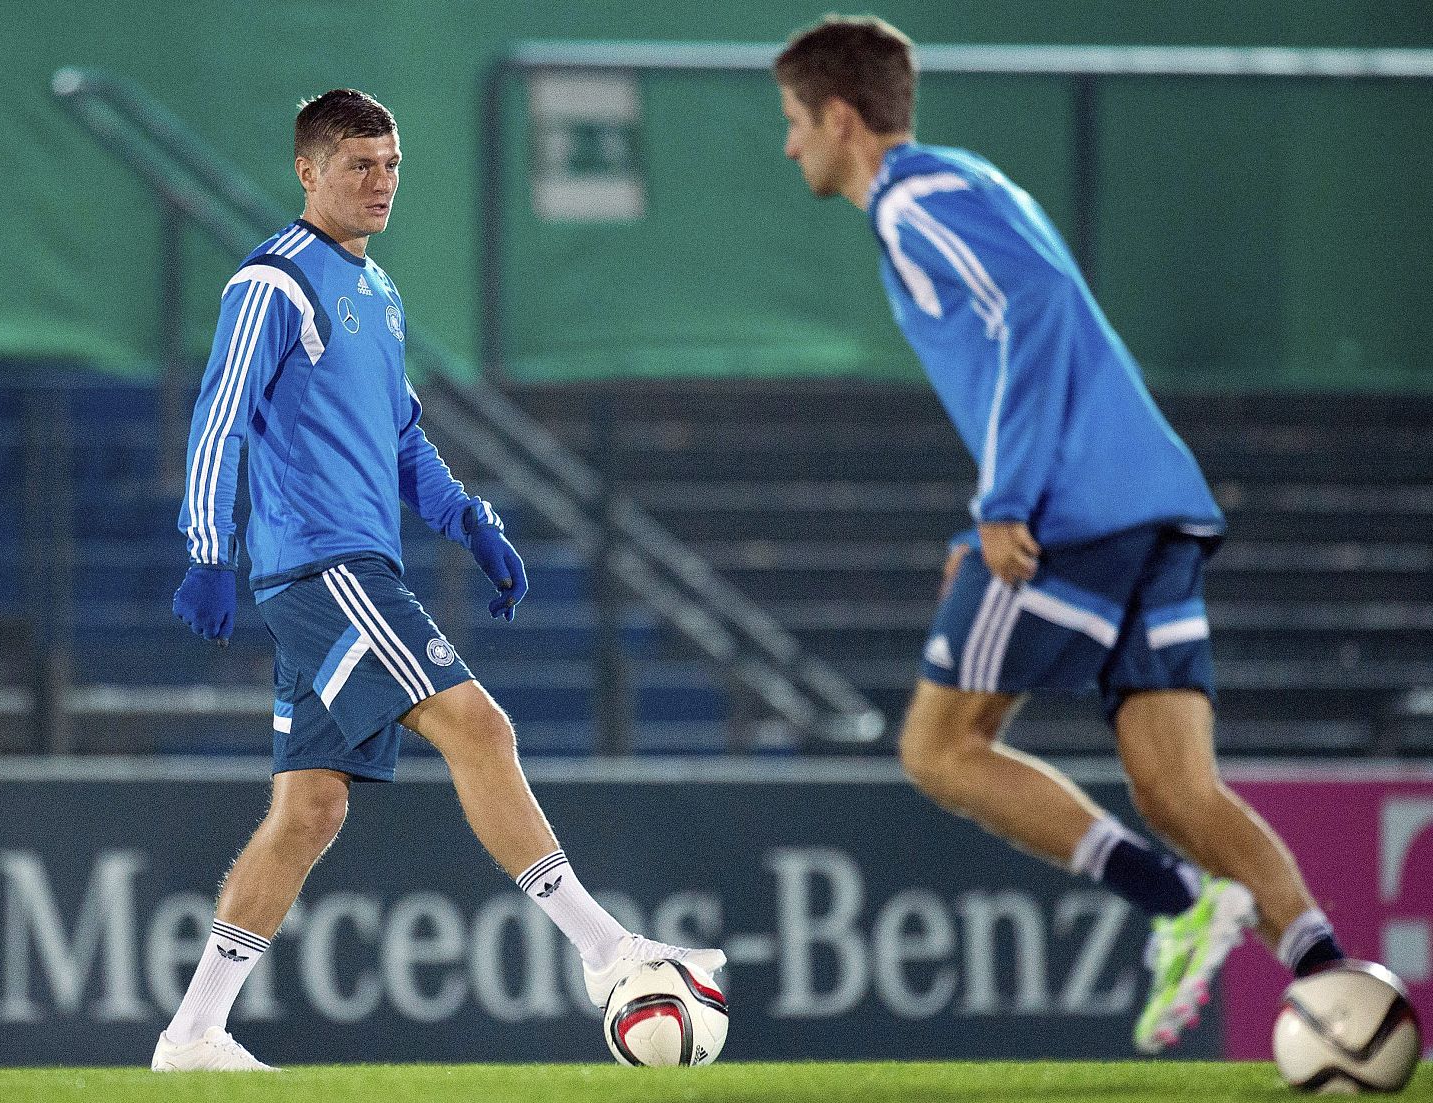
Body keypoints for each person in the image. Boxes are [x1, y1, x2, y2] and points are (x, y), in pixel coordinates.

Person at [774, 17, 1346, 1053]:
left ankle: (1176, 901)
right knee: (1175, 786)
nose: (788, 146)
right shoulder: (972, 181)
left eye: (793, 121)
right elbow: (1033, 342)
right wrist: (991, 499)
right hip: (1151, 501)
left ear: (841, 118)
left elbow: (1030, 313)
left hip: (1071, 514)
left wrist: (1005, 502)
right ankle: (1343, 988)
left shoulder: (910, 202)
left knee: (940, 747)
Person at [155, 88, 723, 1071]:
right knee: (480, 726)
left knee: (310, 811)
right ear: (308, 170)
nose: (380, 183)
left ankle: (194, 1031)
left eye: (391, 165)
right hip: (320, 566)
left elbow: (402, 434)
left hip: (348, 565)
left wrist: (472, 520)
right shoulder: (272, 284)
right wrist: (206, 548)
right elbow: (216, 418)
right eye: (358, 164)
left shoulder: (374, 292)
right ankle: (605, 949)